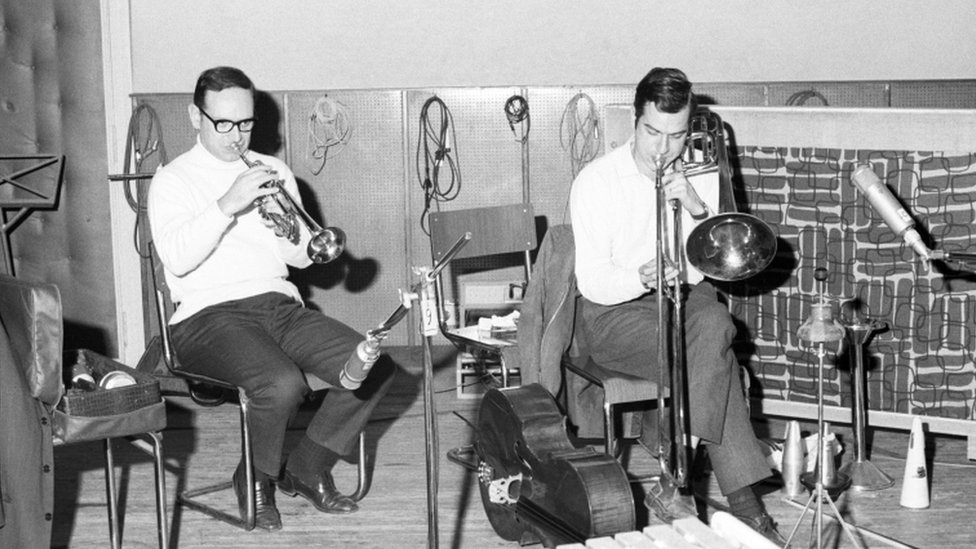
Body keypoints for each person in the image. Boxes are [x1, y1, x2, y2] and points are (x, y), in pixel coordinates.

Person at [148, 66, 395, 531]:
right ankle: (257, 480)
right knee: (281, 385)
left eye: (245, 123)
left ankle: (307, 467)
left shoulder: (273, 170)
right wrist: (228, 204)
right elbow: (178, 259)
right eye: (223, 123)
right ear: (194, 117)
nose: (236, 136)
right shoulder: (173, 180)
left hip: (276, 304)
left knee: (371, 366)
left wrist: (294, 234)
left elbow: (298, 258)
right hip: (204, 316)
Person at [569, 67, 784, 544]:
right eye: (652, 132)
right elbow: (594, 282)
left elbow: (706, 268)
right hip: (614, 312)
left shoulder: (697, 174)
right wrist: (640, 276)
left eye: (676, 134)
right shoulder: (597, 181)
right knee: (716, 356)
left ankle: (675, 475)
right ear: (634, 120)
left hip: (684, 301)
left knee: (714, 322)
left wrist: (696, 208)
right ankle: (747, 509)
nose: (663, 149)